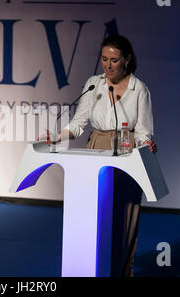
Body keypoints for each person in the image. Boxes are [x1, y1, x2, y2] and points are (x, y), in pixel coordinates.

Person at [41, 35, 157, 277]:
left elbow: (145, 130)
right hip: (97, 150)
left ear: (127, 60)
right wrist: (57, 136)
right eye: (104, 59)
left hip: (128, 153)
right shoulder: (94, 84)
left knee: (124, 218)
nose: (108, 65)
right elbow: (79, 122)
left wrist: (147, 143)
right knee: (97, 217)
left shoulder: (139, 89)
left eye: (114, 60)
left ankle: (122, 272)